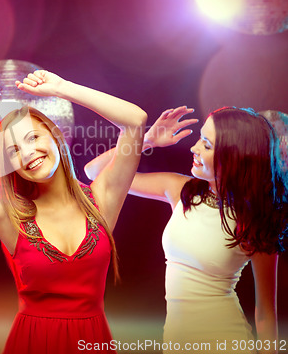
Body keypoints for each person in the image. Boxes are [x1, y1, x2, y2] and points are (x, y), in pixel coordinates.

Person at [0, 69, 147, 354]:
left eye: (33, 138)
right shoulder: (8, 216)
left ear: (56, 136)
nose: (27, 153)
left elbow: (135, 121)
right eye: (14, 151)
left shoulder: (103, 199)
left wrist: (64, 88)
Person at [85, 106, 288, 354]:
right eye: (200, 139)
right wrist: (147, 140)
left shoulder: (255, 219)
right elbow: (95, 172)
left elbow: (266, 313)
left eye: (207, 145)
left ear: (235, 156)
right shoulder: (181, 191)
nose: (194, 148)